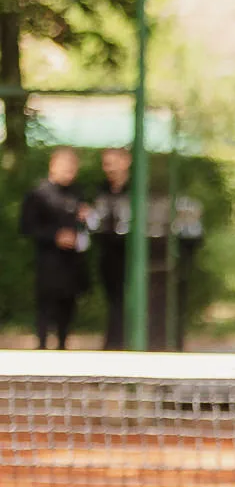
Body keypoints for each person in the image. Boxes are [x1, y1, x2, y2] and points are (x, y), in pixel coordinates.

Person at [18, 148, 90, 349]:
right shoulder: (38, 194)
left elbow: (87, 226)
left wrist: (84, 220)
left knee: (68, 303)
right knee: (46, 303)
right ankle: (42, 344)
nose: (69, 172)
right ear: (53, 166)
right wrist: (55, 236)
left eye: (72, 168)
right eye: (65, 167)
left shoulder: (78, 194)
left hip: (72, 261)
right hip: (48, 260)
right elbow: (27, 227)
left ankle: (62, 344)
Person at [92, 148, 133, 350]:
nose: (109, 168)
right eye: (106, 163)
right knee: (114, 299)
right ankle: (114, 343)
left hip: (131, 254)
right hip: (109, 254)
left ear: (126, 162)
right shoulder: (100, 190)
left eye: (113, 162)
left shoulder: (137, 190)